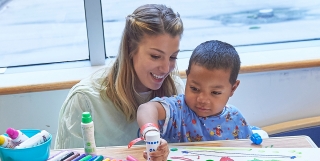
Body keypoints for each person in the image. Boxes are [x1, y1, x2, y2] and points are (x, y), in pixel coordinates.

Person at [54, 4, 184, 153]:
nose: (166, 68)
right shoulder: (84, 101)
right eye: (155, 56)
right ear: (130, 49)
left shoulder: (176, 89)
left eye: (173, 57)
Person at [137, 40, 253, 145]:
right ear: (188, 77)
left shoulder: (236, 119)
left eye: (215, 93)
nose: (202, 99)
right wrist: (151, 131)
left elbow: (250, 149)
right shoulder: (177, 110)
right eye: (194, 88)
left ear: (232, 89)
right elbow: (146, 109)